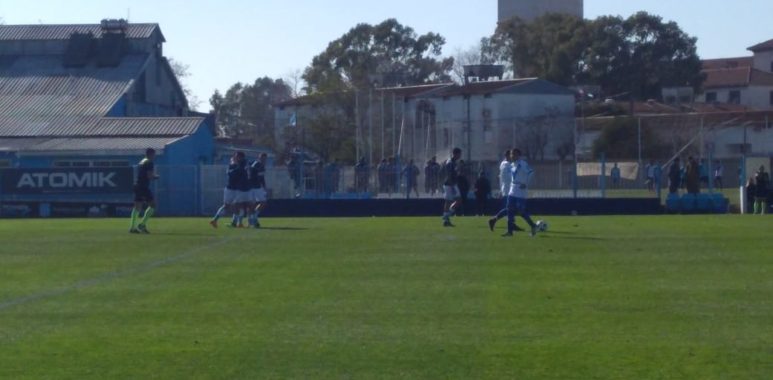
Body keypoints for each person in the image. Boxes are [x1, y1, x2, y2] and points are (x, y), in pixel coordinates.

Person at [504, 148, 538, 237]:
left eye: (514, 154)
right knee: (509, 209)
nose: (512, 156)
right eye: (511, 154)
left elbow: (531, 173)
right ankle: (509, 231)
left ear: (519, 155)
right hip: (513, 189)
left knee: (520, 210)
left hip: (520, 189)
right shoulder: (512, 165)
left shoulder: (522, 164)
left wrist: (525, 184)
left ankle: (533, 225)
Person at [210, 152, 248, 228]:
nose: (237, 158)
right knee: (226, 206)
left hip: (238, 189)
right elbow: (230, 174)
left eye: (239, 157)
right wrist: (237, 168)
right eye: (236, 156)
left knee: (239, 206)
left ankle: (237, 223)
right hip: (230, 188)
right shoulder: (233, 165)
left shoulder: (243, 165)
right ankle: (215, 220)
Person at [488, 150, 521, 232]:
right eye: (511, 155)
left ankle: (511, 224)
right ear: (507, 156)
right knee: (511, 208)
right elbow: (511, 177)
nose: (513, 156)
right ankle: (494, 220)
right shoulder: (506, 165)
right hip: (508, 190)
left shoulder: (505, 165)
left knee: (511, 208)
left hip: (508, 189)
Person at [129, 148, 159, 234]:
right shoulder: (149, 162)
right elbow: (149, 176)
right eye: (154, 154)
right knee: (152, 205)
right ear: (150, 154)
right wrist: (156, 176)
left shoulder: (142, 161)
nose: (154, 156)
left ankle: (133, 227)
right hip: (143, 187)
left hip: (138, 185)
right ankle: (141, 225)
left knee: (138, 207)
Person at [441, 148, 462, 227]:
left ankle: (446, 215)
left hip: (452, 183)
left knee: (457, 200)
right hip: (449, 184)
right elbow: (449, 174)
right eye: (459, 154)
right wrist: (452, 184)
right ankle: (446, 217)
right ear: (455, 154)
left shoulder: (453, 162)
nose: (460, 156)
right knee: (449, 201)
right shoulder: (450, 162)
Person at [248, 153, 269, 228]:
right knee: (252, 204)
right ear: (259, 158)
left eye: (265, 159)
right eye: (262, 158)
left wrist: (264, 187)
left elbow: (261, 177)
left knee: (263, 202)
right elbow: (254, 176)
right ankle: (251, 220)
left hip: (257, 187)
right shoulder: (257, 164)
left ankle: (254, 217)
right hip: (252, 187)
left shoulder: (261, 166)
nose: (264, 160)